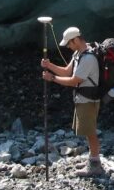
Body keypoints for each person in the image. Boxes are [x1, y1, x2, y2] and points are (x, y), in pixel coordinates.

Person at [41, 26, 104, 177]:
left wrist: (53, 78)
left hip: (88, 99)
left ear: (76, 40)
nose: (68, 47)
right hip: (82, 98)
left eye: (69, 43)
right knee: (88, 131)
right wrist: (50, 66)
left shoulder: (88, 58)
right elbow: (67, 71)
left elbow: (74, 81)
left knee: (90, 132)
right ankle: (92, 159)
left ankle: (95, 165)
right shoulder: (79, 54)